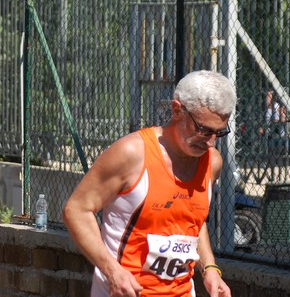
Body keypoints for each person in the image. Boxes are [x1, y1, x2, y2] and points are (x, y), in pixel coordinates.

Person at [63, 70, 234, 297]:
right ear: (177, 110)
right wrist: (111, 270)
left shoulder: (212, 163)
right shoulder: (132, 153)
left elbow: (193, 220)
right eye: (203, 130)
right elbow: (76, 209)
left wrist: (210, 269)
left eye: (218, 133)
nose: (211, 142)